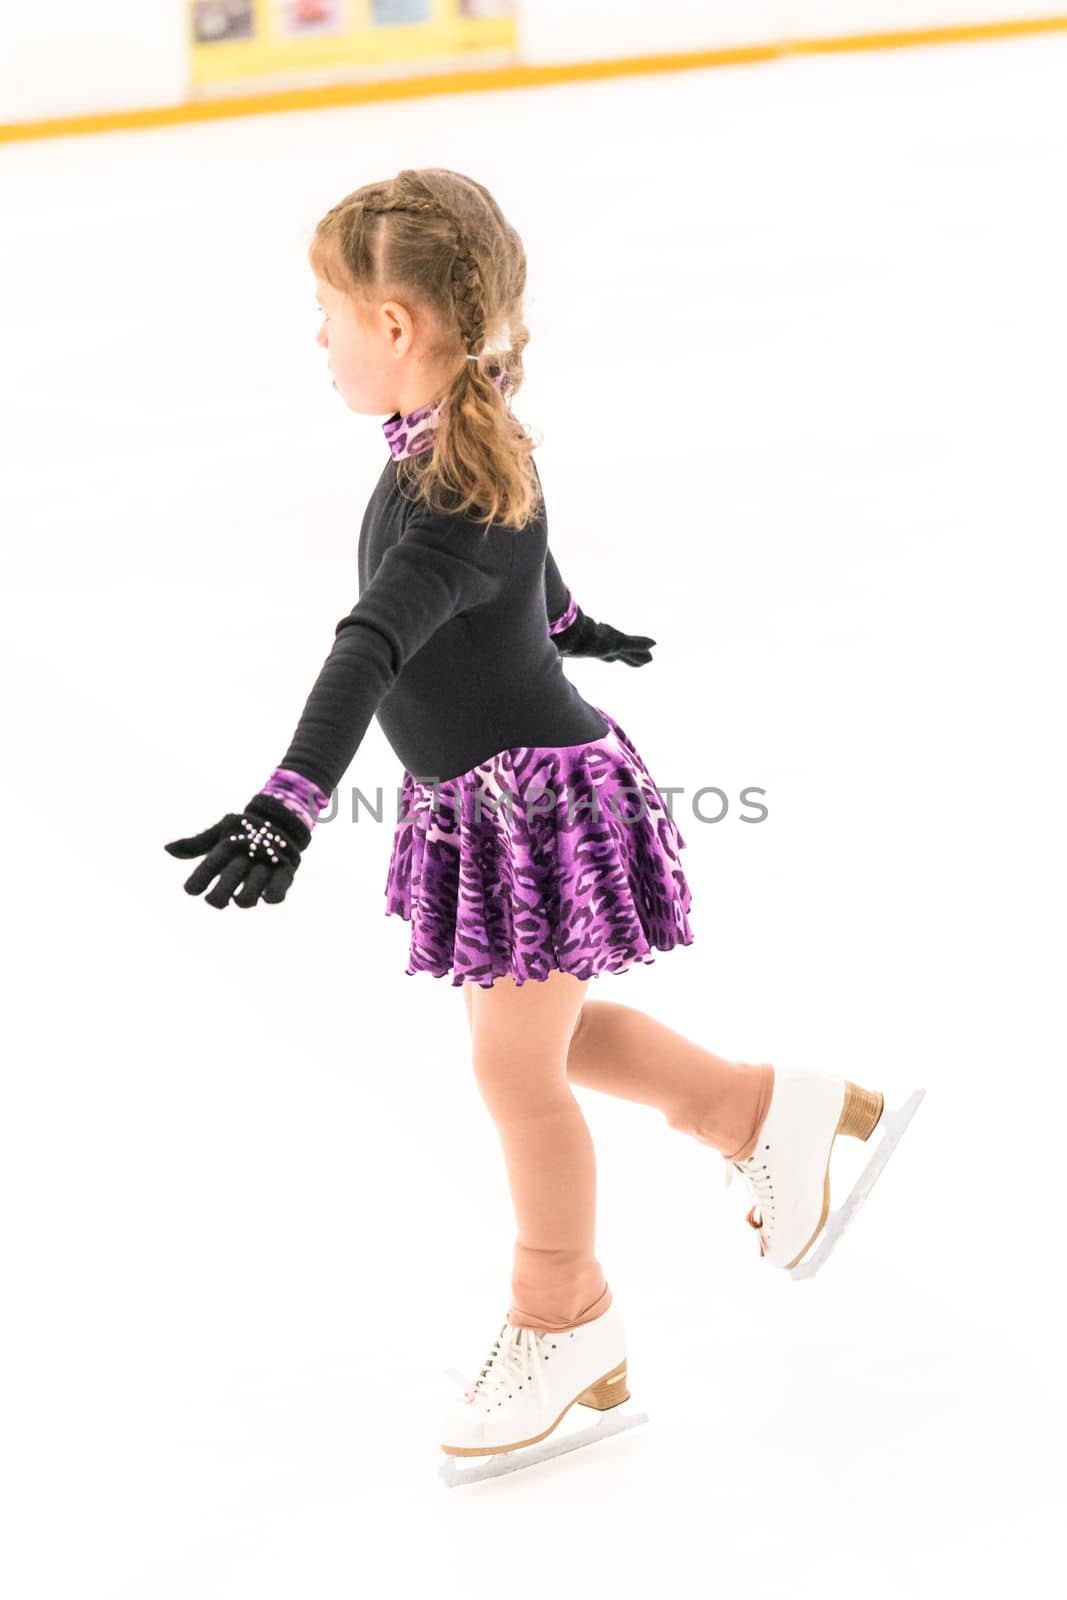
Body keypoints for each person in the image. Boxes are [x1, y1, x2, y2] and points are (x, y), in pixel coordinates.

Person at [164, 167, 899, 1473]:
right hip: (496, 806)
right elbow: (522, 570)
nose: (318, 339)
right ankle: (763, 1112)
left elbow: (375, 643)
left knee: (515, 1069)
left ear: (396, 325)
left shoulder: (445, 485)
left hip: (536, 811)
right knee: (542, 1040)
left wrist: (287, 804)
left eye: (328, 312)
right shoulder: (466, 438)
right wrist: (564, 626)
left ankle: (562, 1317)